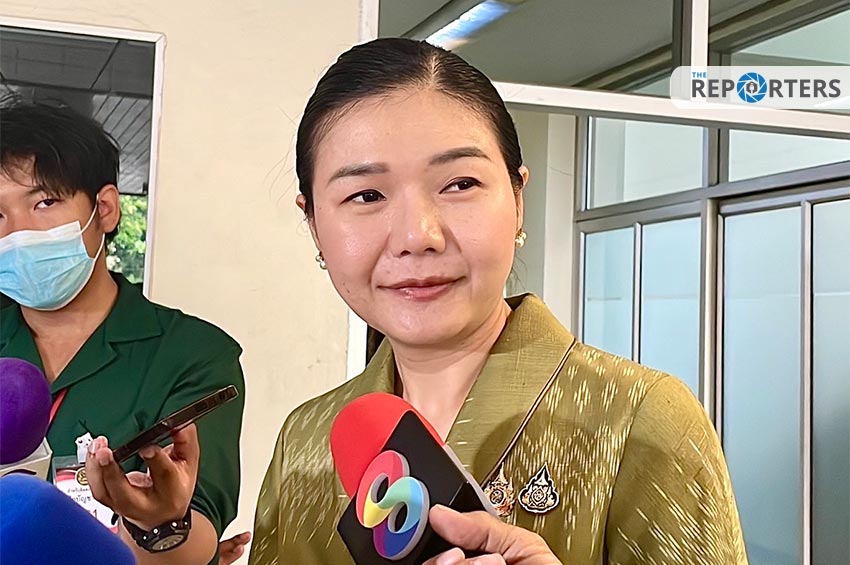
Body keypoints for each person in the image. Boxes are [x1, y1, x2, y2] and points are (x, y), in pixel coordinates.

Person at [245, 38, 748, 565]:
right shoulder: (304, 439)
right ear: (314, 224)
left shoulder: (638, 418)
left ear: (517, 200)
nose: (418, 236)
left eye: (460, 184)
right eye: (366, 195)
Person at [0, 100, 246, 565]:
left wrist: (159, 526)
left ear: (106, 209)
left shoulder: (193, 354)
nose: (17, 233)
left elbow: (196, 538)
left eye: (44, 203)